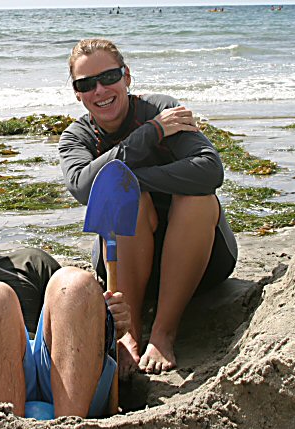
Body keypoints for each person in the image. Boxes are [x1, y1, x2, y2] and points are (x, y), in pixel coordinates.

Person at [58, 39, 238, 375]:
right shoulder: (76, 138)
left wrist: (131, 177)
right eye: (86, 84)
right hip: (122, 266)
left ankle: (163, 332)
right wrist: (150, 135)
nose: (100, 90)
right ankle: (129, 334)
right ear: (77, 94)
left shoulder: (161, 109)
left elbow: (211, 170)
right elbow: (84, 187)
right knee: (131, 200)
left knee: (196, 197)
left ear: (127, 76)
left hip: (200, 261)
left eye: (109, 76)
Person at [0, 177, 130, 418]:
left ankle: (72, 423)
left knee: (75, 282)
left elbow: (79, 307)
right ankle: (8, 423)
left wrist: (111, 321)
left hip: (65, 376)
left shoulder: (30, 262)